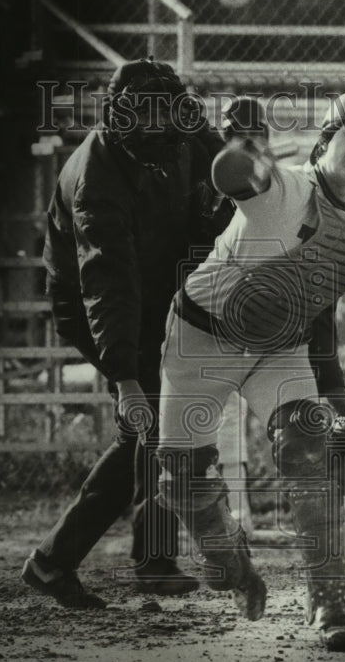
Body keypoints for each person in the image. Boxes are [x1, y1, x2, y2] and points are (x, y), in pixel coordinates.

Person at [152, 90, 345, 650]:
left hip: (279, 348)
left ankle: (331, 602)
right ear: (326, 140)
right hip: (202, 339)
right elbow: (237, 176)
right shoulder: (288, 188)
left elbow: (318, 314)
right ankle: (232, 566)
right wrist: (245, 152)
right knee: (183, 483)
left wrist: (341, 407)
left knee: (308, 450)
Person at [21, 58, 234, 607]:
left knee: (153, 432)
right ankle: (99, 561)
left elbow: (239, 173)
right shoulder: (96, 176)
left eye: (171, 115)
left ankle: (94, 561)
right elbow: (106, 283)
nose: (163, 128)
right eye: (150, 117)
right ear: (120, 117)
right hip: (99, 304)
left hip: (161, 284)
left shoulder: (186, 128)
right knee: (150, 424)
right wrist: (124, 378)